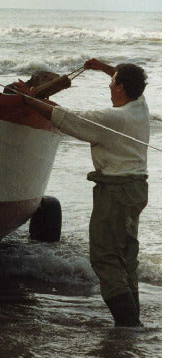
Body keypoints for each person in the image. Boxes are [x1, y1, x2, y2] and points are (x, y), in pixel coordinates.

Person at [11, 58, 150, 327]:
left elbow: (69, 119)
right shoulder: (139, 106)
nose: (109, 86)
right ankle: (133, 322)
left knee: (104, 258)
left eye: (112, 82)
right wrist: (103, 68)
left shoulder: (114, 118)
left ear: (121, 88)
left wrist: (29, 98)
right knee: (125, 257)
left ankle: (128, 324)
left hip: (116, 192)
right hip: (136, 190)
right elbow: (127, 79)